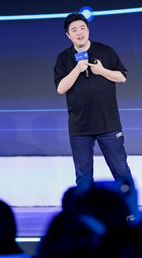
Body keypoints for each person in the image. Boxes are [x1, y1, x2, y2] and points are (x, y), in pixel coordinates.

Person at [54, 12, 132, 193]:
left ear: (88, 30)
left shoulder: (105, 51)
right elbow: (60, 88)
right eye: (74, 30)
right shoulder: (64, 58)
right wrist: (77, 69)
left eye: (82, 28)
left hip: (108, 123)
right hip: (80, 127)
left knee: (121, 171)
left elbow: (122, 77)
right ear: (68, 35)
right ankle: (85, 210)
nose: (79, 32)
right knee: (84, 177)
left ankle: (129, 208)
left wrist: (102, 70)